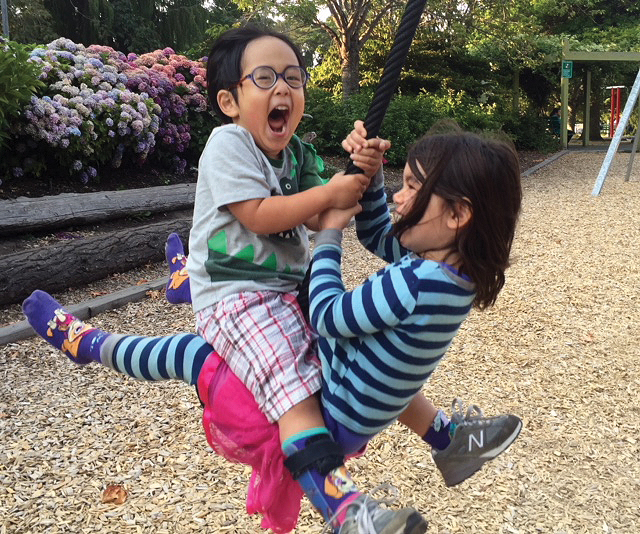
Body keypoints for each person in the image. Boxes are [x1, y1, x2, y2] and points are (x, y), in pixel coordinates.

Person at [23, 25, 429, 534]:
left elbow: (321, 209)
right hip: (239, 298)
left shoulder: (299, 153)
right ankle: (344, 510)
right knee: (293, 390)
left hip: (283, 288)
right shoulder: (228, 144)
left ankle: (444, 436)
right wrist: (330, 197)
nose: (283, 88)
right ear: (229, 100)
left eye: (293, 78)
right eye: (264, 77)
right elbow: (261, 214)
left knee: (360, 349)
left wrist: (362, 170)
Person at [23, 119, 523, 531]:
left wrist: (328, 238)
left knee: (198, 354)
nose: (399, 197)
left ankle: (88, 342)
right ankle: (449, 440)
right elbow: (378, 232)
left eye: (413, 187)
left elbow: (329, 316)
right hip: (363, 393)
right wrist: (371, 178)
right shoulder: (452, 269)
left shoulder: (416, 283)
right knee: (376, 357)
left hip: (329, 402)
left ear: (457, 214)